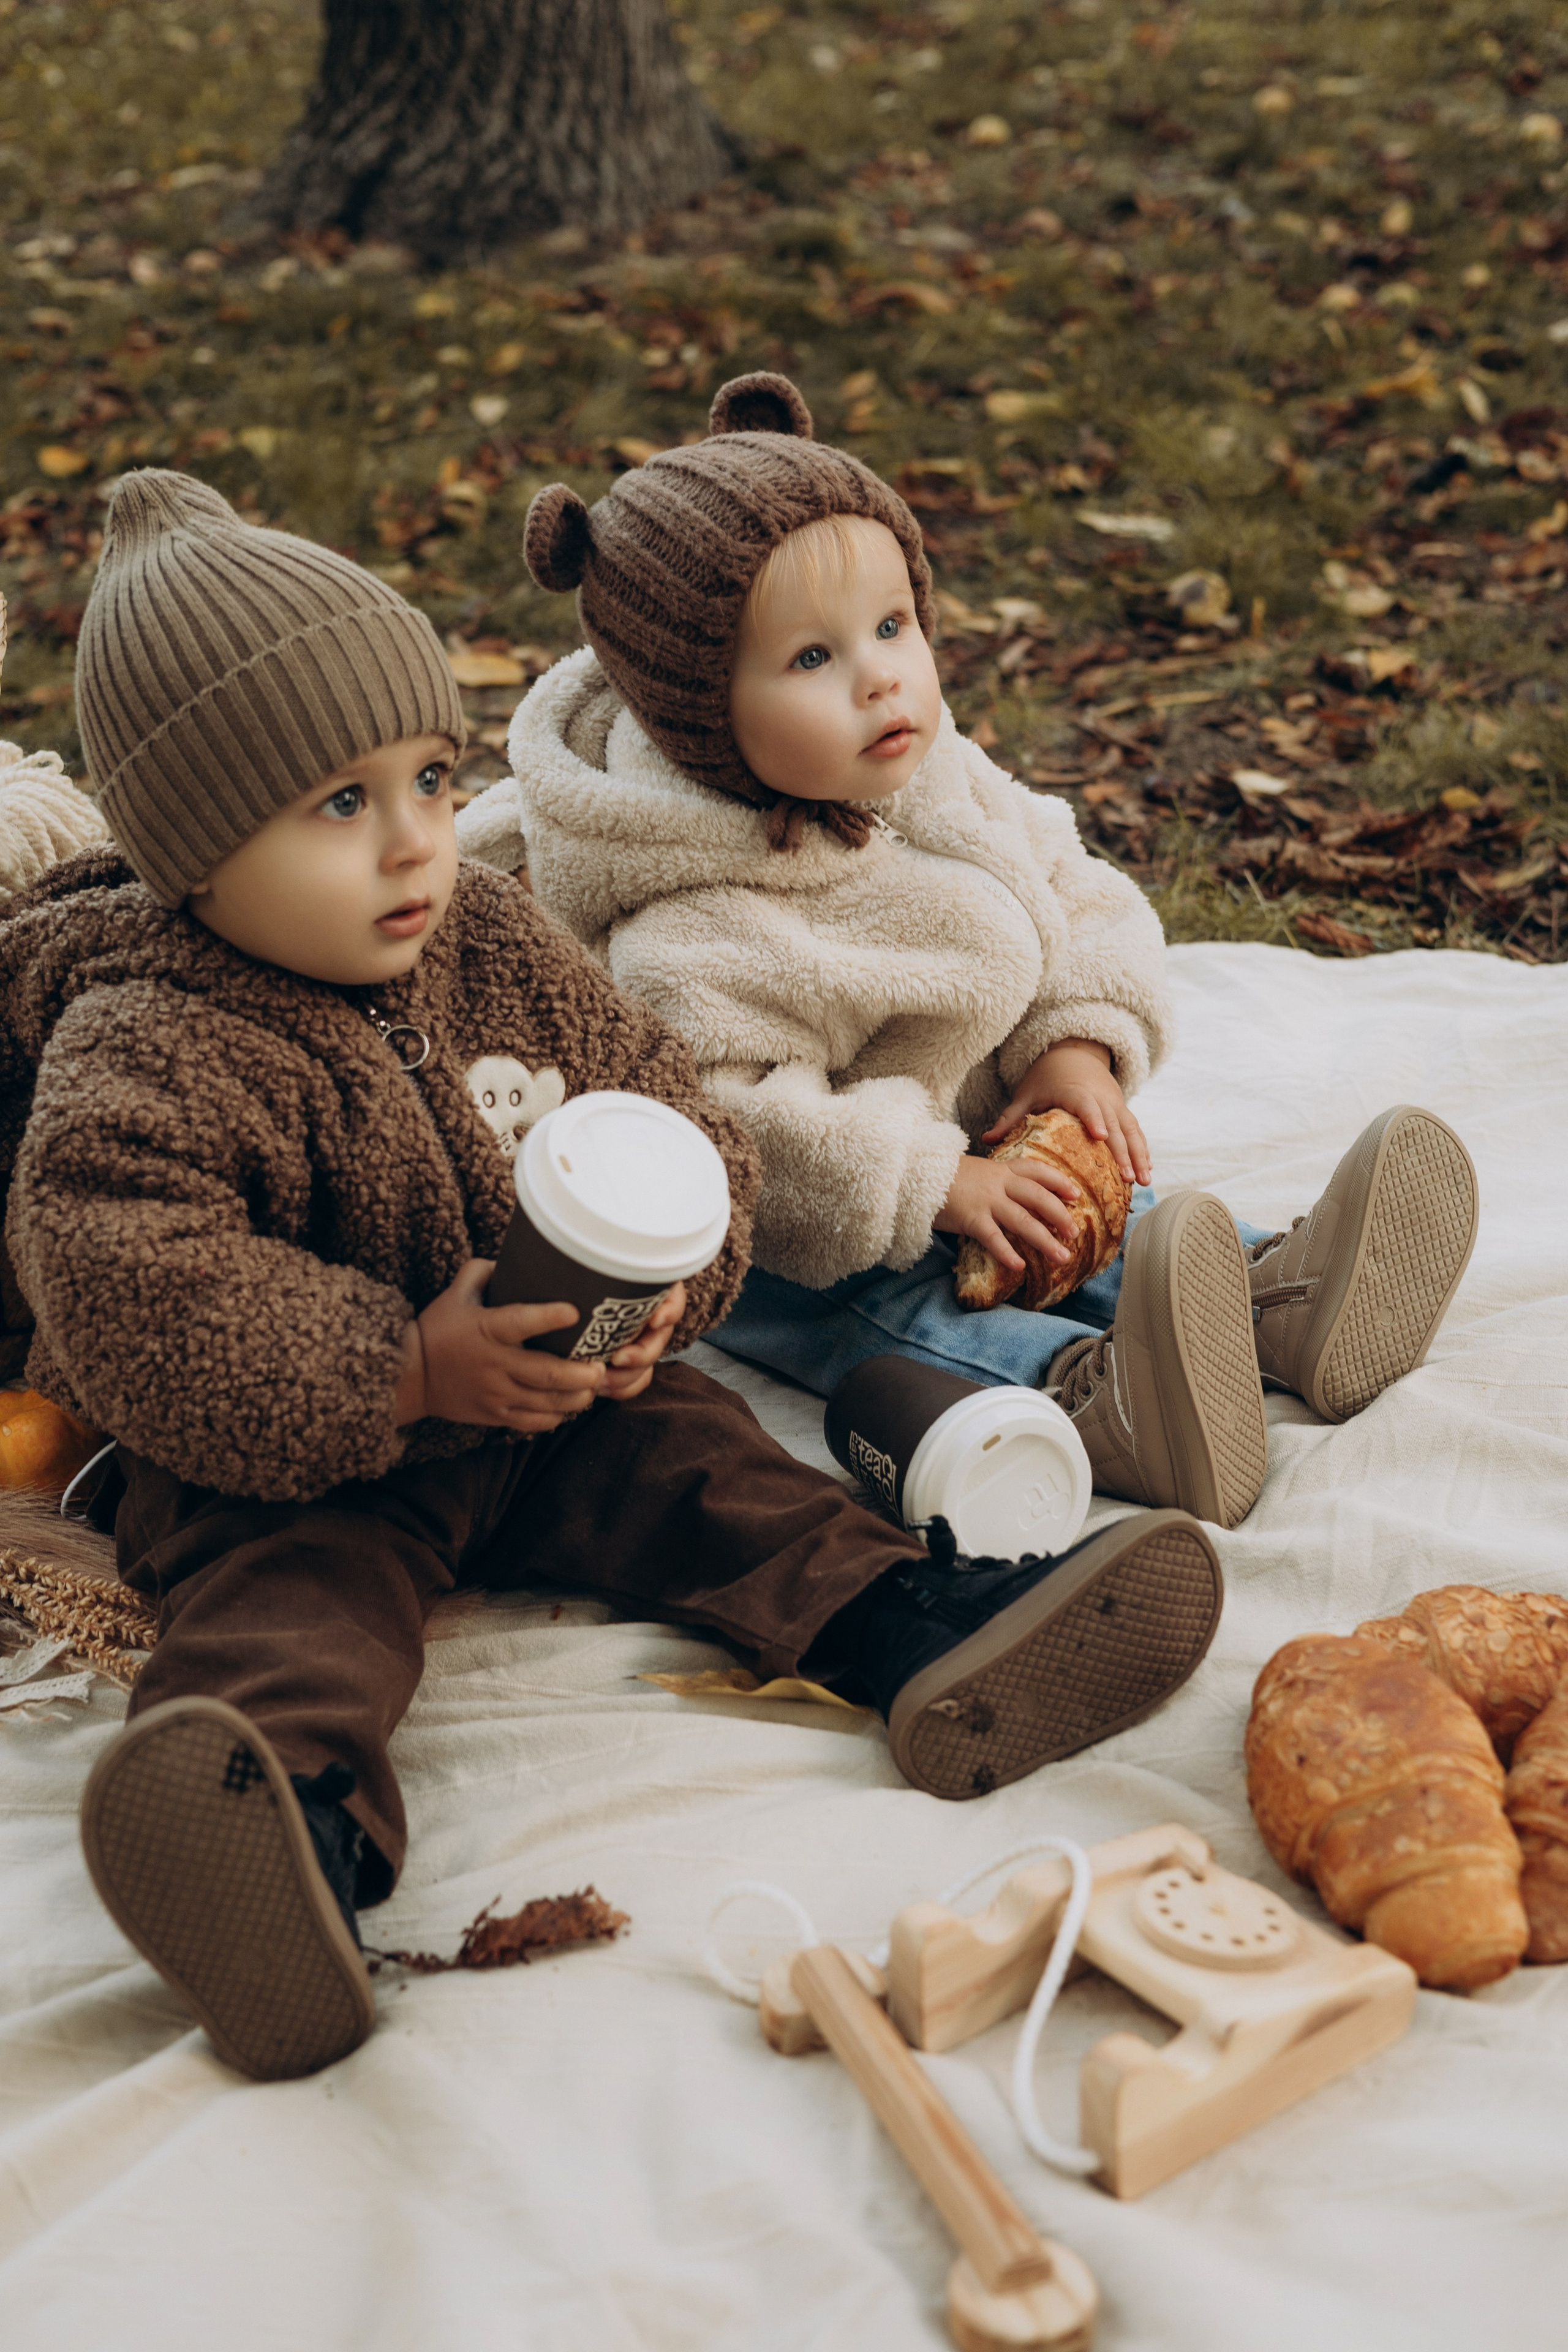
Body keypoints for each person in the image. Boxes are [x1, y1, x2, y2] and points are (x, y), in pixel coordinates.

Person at [0, 470, 1226, 2083]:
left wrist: (672, 1280)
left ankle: (921, 1630)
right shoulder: (138, 1036)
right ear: (190, 852)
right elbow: (126, 1292)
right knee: (292, 1621)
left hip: (557, 1396)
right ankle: (275, 1838)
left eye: (429, 778)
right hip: (297, 1460)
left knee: (717, 1467)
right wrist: (400, 1370)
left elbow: (676, 1108)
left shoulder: (489, 939)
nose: (413, 842)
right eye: (338, 807)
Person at [463, 371, 1479, 1534]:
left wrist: (1078, 1045)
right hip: (808, 1229)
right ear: (699, 707)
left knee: (1111, 1229)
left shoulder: (911, 763)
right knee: (902, 1311)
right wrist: (927, 1181)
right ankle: (1094, 1402)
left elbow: (1062, 873)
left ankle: (1276, 1299)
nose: (883, 673)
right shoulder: (689, 914)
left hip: (972, 1140)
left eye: (893, 626)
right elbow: (729, 1119)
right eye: (811, 660)